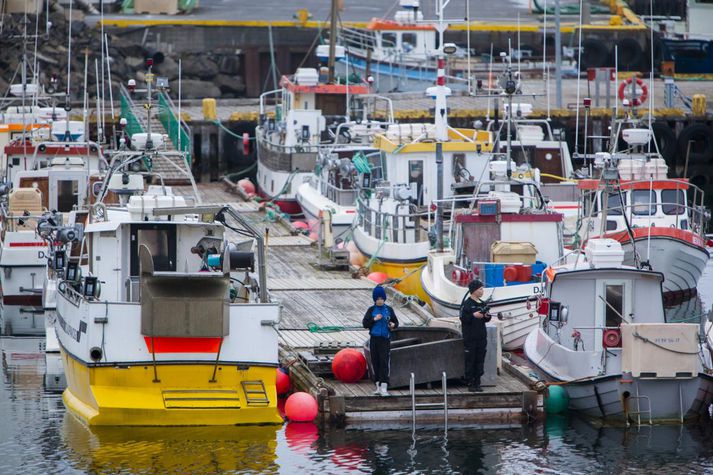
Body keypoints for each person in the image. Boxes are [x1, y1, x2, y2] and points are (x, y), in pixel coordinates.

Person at [362, 285, 399, 396]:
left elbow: (396, 323)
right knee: (375, 362)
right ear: (375, 300)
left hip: (385, 339)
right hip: (374, 339)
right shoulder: (371, 310)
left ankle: (384, 387)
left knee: (384, 362)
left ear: (384, 299)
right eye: (378, 299)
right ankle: (378, 386)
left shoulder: (389, 310)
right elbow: (365, 324)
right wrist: (374, 319)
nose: (380, 301)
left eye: (382, 299)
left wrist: (393, 325)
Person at [459, 279, 491, 392]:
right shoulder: (466, 304)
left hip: (481, 337)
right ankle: (470, 383)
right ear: (474, 290)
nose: (482, 291)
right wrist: (473, 316)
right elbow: (463, 318)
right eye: (480, 289)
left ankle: (478, 382)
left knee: (480, 360)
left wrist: (486, 316)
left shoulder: (482, 304)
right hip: (470, 338)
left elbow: (487, 319)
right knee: (470, 360)